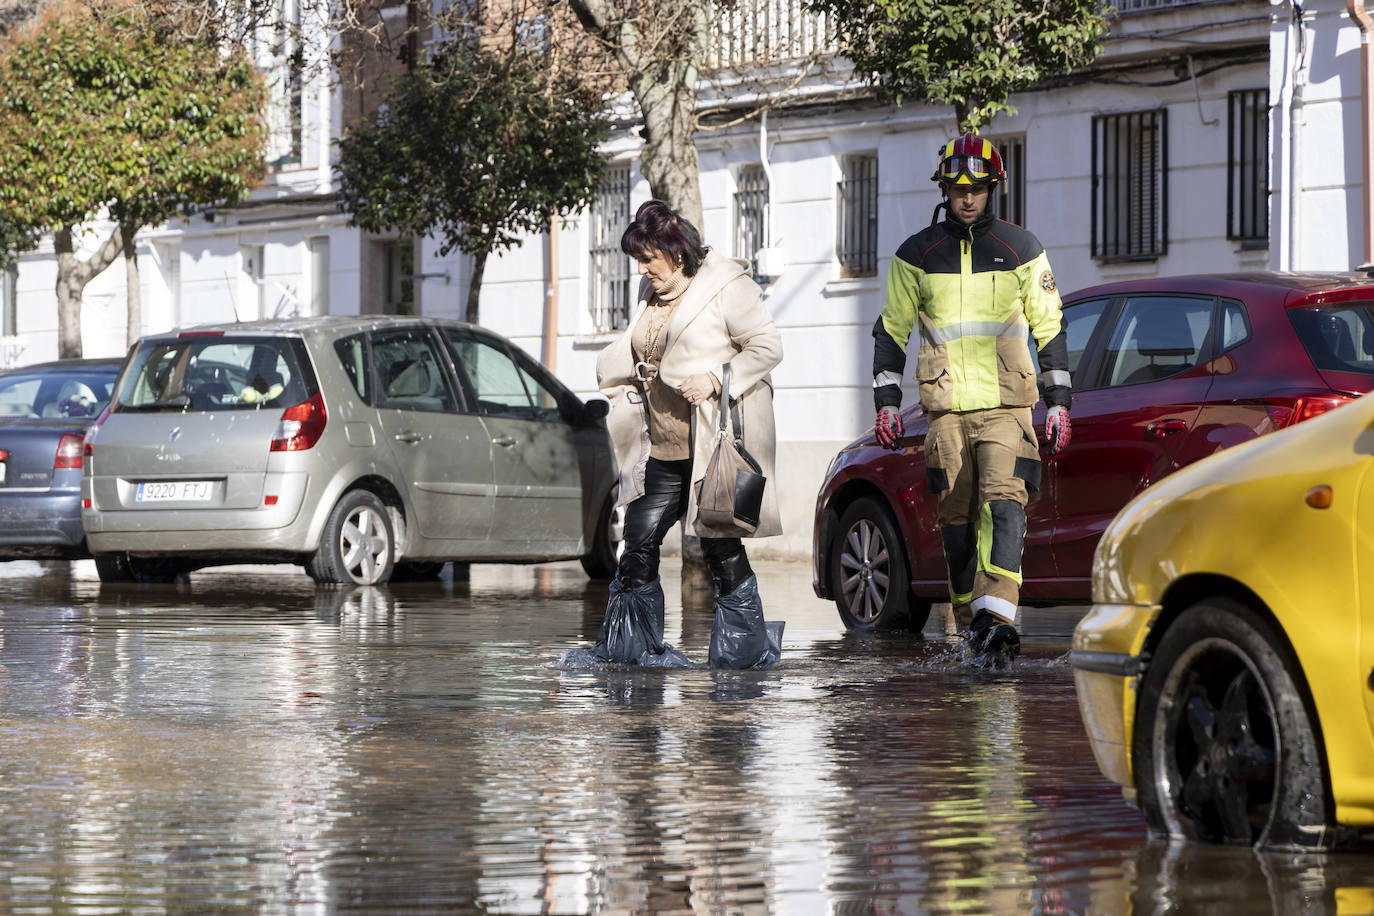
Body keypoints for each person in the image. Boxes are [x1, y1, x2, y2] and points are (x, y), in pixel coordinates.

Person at [870, 133, 1072, 666]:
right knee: (956, 529)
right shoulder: (916, 256)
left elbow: (1049, 327)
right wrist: (887, 402)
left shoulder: (1022, 250)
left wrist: (1057, 402)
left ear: (991, 190)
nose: (968, 199)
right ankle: (969, 628)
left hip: (1008, 408)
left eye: (978, 189)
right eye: (958, 189)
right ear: (944, 189)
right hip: (946, 414)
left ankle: (998, 619)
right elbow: (891, 331)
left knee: (1004, 509)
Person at [591, 199, 784, 669]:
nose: (641, 268)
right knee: (638, 538)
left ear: (676, 253)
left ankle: (745, 654)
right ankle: (631, 655)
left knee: (719, 545)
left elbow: (768, 346)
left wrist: (717, 378)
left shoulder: (725, 286)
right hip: (658, 443)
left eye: (648, 258)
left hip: (709, 445)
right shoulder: (649, 291)